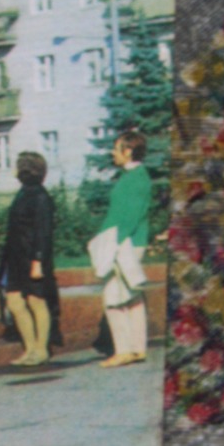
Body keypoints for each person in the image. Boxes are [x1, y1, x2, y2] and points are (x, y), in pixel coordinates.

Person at [0, 150, 61, 368]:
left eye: (16, 164)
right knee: (14, 302)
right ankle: (30, 348)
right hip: (15, 259)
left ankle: (41, 350)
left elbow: (43, 233)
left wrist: (38, 261)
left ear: (25, 169)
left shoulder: (41, 197)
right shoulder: (23, 193)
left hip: (33, 259)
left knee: (36, 301)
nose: (13, 168)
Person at [95, 127, 152, 368]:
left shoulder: (135, 179)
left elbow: (127, 217)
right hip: (129, 240)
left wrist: (110, 243)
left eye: (116, 148)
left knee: (113, 297)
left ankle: (123, 350)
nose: (112, 152)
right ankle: (137, 348)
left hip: (123, 242)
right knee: (132, 296)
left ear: (128, 152)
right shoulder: (136, 176)